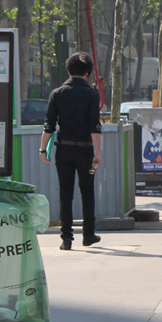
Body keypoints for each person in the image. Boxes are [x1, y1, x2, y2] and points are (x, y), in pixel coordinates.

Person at [40, 52, 102, 251]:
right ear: (88, 73)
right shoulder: (93, 95)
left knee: (65, 194)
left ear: (68, 71)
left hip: (63, 150)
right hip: (85, 151)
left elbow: (49, 125)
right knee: (88, 191)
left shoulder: (57, 93)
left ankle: (66, 238)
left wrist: (43, 150)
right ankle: (88, 234)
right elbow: (95, 126)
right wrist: (98, 154)